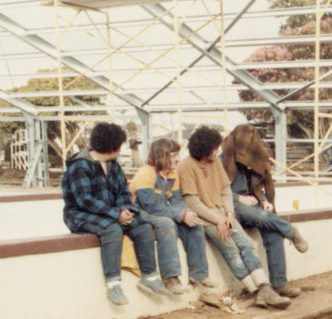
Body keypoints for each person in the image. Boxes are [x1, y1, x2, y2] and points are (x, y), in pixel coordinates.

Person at [176, 125, 290, 309]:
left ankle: (264, 288)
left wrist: (229, 213)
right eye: (213, 149)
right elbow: (192, 202)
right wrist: (218, 220)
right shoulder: (186, 166)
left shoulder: (216, 162)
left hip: (223, 214)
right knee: (231, 249)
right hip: (206, 218)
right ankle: (255, 291)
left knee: (246, 244)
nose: (216, 152)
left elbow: (225, 190)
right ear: (203, 149)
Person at [62, 122, 169, 306]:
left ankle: (150, 276)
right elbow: (85, 200)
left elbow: (123, 192)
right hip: (79, 214)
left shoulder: (114, 165)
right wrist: (116, 214)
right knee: (112, 229)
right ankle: (113, 283)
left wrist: (125, 210)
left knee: (143, 226)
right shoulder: (80, 165)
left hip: (111, 213)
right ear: (112, 146)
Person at [220, 124, 308, 299]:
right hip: (231, 207)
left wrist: (264, 200)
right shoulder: (222, 161)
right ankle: (290, 230)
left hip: (253, 205)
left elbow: (258, 186)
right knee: (259, 215)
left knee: (274, 233)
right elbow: (216, 190)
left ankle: (280, 284)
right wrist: (239, 198)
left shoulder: (253, 159)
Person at [129, 138, 217, 294]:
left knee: (195, 223)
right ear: (161, 155)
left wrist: (187, 213)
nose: (177, 159)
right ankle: (170, 278)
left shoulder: (172, 175)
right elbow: (151, 206)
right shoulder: (145, 174)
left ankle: (199, 274)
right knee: (166, 223)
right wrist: (180, 215)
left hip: (158, 210)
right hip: (139, 212)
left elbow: (177, 201)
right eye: (173, 155)